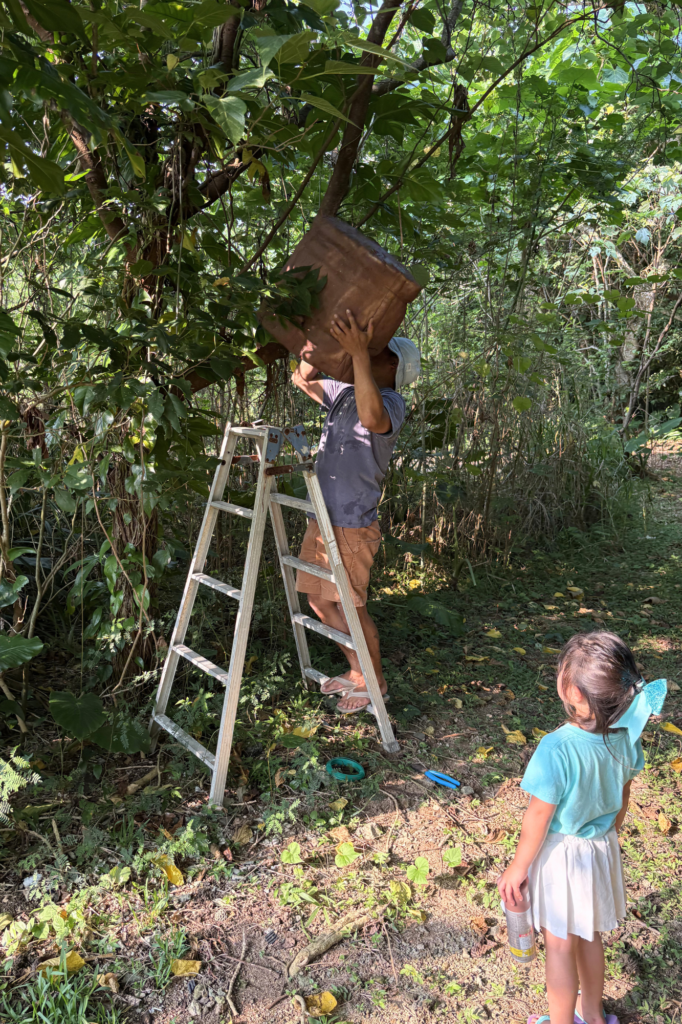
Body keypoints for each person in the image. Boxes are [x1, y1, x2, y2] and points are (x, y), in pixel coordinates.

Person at [497, 631, 667, 1024]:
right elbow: (621, 803)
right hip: (600, 849)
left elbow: (538, 818)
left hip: (561, 857)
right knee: (590, 936)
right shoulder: (627, 738)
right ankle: (591, 1014)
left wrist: (518, 868)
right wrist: (607, 831)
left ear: (571, 690)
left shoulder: (556, 748)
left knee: (559, 946)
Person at [291, 309, 420, 714]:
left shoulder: (392, 403)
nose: (368, 353)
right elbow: (303, 378)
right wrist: (321, 346)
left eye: (378, 352)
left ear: (393, 367)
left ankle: (375, 682)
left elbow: (371, 417)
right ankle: (357, 671)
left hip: (350, 525)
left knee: (350, 605)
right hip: (322, 518)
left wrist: (359, 355)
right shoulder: (343, 391)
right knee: (318, 601)